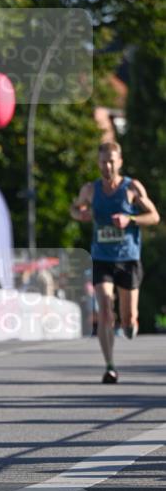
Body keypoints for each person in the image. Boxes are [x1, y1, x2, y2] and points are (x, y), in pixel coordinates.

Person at [70, 140, 159, 383]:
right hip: (101, 258)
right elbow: (75, 209)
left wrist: (130, 219)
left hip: (128, 258)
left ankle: (131, 323)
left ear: (119, 162)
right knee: (106, 312)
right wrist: (81, 214)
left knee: (127, 318)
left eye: (111, 161)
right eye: (103, 162)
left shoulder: (132, 188)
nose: (107, 166)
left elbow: (154, 216)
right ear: (98, 163)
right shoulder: (90, 189)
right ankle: (109, 366)